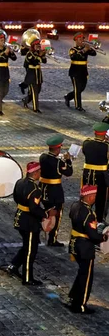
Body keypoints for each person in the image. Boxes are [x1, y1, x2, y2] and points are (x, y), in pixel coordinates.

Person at [67, 185, 108, 314]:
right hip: (85, 247)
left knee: (81, 272)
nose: (95, 199)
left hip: (74, 243)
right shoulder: (89, 213)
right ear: (89, 197)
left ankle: (74, 297)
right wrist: (104, 237)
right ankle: (81, 304)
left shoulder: (75, 205)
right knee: (86, 277)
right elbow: (93, 235)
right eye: (94, 196)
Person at [7, 162, 47, 285]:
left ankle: (14, 265)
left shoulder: (19, 182)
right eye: (39, 172)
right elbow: (34, 208)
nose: (40, 174)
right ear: (34, 173)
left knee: (27, 245)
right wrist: (44, 214)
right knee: (31, 250)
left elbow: (15, 198)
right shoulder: (35, 189)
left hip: (20, 216)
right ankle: (28, 277)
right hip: (29, 222)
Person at [40, 135, 73, 247]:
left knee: (44, 212)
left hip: (43, 189)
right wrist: (68, 160)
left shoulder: (43, 157)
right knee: (57, 214)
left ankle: (37, 234)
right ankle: (52, 239)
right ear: (58, 148)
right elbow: (69, 172)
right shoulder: (59, 162)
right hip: (55, 192)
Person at [81, 122, 109, 223]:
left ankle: (83, 217)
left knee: (86, 196)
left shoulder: (86, 143)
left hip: (87, 175)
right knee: (100, 202)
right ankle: (99, 222)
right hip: (101, 177)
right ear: (105, 133)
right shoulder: (107, 146)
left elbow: (84, 152)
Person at [65, 32, 96, 112]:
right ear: (76, 40)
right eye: (80, 38)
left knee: (81, 88)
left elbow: (94, 54)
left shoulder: (85, 48)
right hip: (75, 72)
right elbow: (74, 57)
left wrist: (91, 48)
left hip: (83, 72)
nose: (82, 40)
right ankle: (78, 106)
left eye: (82, 38)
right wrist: (84, 50)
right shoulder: (73, 49)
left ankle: (68, 97)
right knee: (77, 89)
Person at [0, 32, 17, 116]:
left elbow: (14, 59)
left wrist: (11, 52)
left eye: (3, 40)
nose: (3, 42)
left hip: (5, 72)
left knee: (6, 91)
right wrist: (5, 53)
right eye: (1, 40)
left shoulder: (6, 49)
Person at [21, 39, 47, 113]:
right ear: (33, 46)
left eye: (39, 46)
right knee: (35, 92)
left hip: (38, 75)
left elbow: (44, 61)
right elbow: (34, 62)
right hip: (31, 75)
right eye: (36, 46)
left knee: (37, 91)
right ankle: (35, 108)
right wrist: (40, 55)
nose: (38, 47)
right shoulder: (29, 53)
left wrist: (44, 54)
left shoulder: (39, 53)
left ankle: (26, 100)